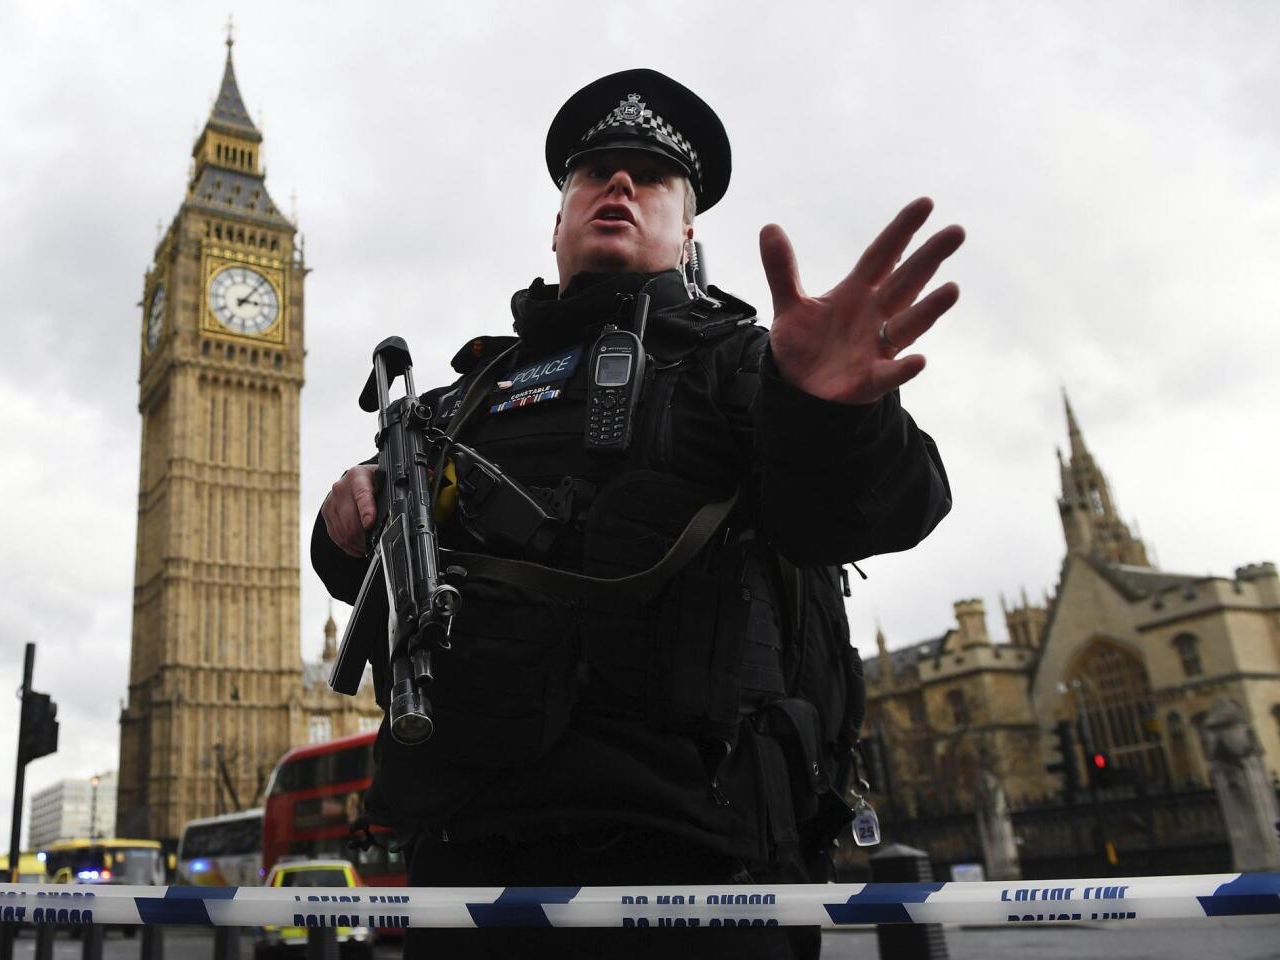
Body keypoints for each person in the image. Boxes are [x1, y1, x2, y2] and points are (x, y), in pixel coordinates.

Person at [312, 68, 959, 959]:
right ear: (557, 221)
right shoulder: (464, 398)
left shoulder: (743, 365)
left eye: (648, 178)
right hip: (470, 862)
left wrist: (830, 410)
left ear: (686, 230)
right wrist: (343, 523)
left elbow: (877, 509)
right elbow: (372, 580)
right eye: (594, 174)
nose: (618, 185)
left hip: (698, 860)